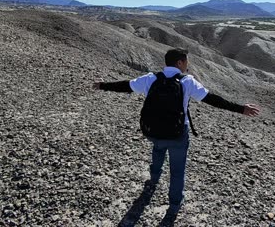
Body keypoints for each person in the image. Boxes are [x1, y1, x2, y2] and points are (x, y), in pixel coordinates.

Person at [93, 48, 260, 214]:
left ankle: (154, 178)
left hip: (153, 131)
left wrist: (102, 85)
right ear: (179, 62)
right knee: (177, 171)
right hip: (177, 134)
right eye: (186, 61)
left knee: (158, 149)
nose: (187, 65)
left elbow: (125, 86)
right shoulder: (187, 81)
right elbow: (212, 99)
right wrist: (240, 109)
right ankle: (174, 205)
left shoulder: (151, 78)